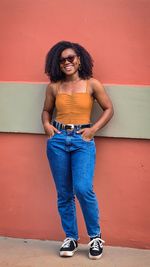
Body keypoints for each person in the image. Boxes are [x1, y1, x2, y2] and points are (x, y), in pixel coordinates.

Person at [41, 41, 114, 260]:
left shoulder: (92, 84)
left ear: (79, 59)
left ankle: (95, 237)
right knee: (64, 193)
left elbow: (109, 109)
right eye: (62, 60)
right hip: (58, 141)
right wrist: (46, 125)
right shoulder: (54, 86)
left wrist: (93, 130)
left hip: (83, 140)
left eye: (70, 58)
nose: (66, 62)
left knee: (83, 188)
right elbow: (46, 110)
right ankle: (71, 237)